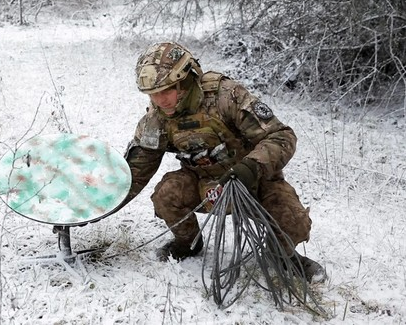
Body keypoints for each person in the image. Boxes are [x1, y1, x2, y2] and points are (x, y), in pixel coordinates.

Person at [122, 41, 326, 282]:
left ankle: (282, 256)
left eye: (166, 90)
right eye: (153, 94)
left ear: (185, 81)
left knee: (293, 221)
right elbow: (136, 170)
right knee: (167, 194)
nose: (160, 100)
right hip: (204, 185)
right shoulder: (156, 119)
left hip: (253, 181)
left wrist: (250, 168)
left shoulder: (226, 96)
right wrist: (96, 206)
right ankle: (188, 244)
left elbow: (281, 136)